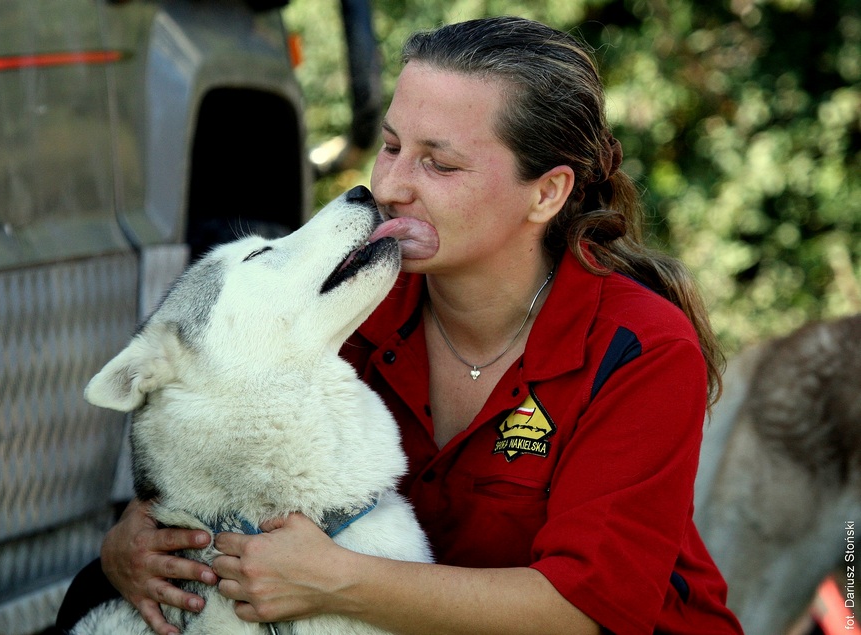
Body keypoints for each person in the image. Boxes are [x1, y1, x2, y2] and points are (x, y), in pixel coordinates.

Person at [57, 15, 743, 635]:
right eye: (389, 146)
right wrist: (131, 549)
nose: (391, 186)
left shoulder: (642, 348)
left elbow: (581, 608)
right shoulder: (346, 307)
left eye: (439, 163)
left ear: (548, 192)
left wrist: (337, 580)